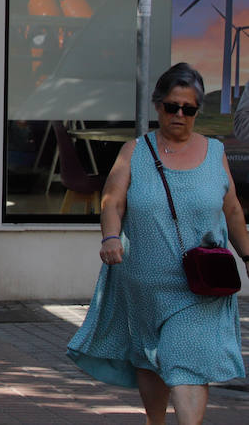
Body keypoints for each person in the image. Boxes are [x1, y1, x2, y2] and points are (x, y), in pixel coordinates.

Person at [67, 63, 249, 425]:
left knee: (184, 360)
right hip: (144, 284)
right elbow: (112, 200)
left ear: (198, 110)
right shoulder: (135, 151)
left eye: (189, 109)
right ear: (158, 106)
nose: (180, 115)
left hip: (200, 286)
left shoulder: (215, 153)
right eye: (172, 107)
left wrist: (247, 253)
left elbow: (232, 209)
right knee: (149, 358)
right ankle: (155, 421)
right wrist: (111, 236)